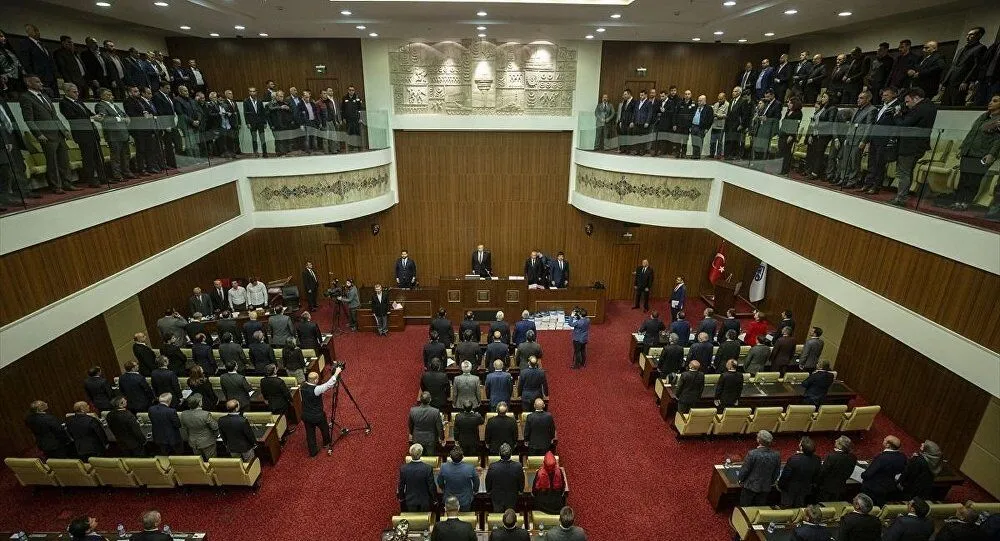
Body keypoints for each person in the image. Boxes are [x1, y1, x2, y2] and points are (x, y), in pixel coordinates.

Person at [20, 74, 75, 193]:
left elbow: (55, 116)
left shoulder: (45, 96)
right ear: (28, 83)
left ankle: (67, 183)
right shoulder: (26, 97)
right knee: (52, 162)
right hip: (46, 135)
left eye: (40, 82)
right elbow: (29, 119)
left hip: (58, 133)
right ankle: (56, 186)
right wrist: (38, 134)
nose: (41, 84)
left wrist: (64, 129)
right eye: (37, 82)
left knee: (64, 160)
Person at [950, 94, 1000, 210]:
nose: (990, 102)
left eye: (995, 101)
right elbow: (971, 133)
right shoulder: (983, 116)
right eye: (991, 100)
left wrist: (991, 154)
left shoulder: (998, 121)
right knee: (963, 179)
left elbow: (998, 140)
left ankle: (966, 203)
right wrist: (963, 148)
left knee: (973, 180)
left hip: (981, 155)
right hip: (968, 152)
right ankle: (957, 201)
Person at [891, 88, 938, 207]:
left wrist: (897, 116)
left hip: (910, 145)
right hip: (918, 145)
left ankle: (900, 198)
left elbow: (904, 124)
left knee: (904, 172)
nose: (907, 104)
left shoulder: (920, 109)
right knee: (908, 171)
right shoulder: (931, 107)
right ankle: (902, 196)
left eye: (908, 101)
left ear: (916, 98)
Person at [58, 83, 104, 187]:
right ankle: (91, 180)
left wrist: (97, 116)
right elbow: (73, 118)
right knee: (88, 158)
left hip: (92, 132)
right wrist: (91, 118)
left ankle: (103, 177)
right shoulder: (64, 103)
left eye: (77, 91)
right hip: (82, 133)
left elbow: (88, 113)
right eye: (74, 92)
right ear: (67, 92)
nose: (77, 93)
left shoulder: (79, 101)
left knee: (98, 156)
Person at [861, 87, 901, 194]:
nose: (883, 97)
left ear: (894, 95)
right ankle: (868, 183)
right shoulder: (882, 106)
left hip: (884, 139)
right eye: (883, 95)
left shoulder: (897, 106)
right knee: (872, 162)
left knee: (880, 163)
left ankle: (876, 186)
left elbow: (895, 124)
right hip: (875, 138)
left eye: (886, 95)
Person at [833, 91, 877, 188]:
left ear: (868, 99)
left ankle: (852, 181)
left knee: (854, 162)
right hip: (850, 138)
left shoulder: (872, 110)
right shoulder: (857, 109)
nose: (858, 100)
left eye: (861, 98)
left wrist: (864, 141)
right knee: (845, 160)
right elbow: (851, 125)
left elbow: (869, 127)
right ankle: (843, 179)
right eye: (858, 98)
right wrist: (847, 137)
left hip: (859, 140)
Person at [942, 27, 988, 106]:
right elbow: (953, 65)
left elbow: (976, 66)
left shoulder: (980, 48)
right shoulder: (961, 49)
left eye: (971, 35)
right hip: (950, 81)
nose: (967, 37)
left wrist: (966, 81)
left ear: (979, 35)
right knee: (944, 104)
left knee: (956, 105)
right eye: (967, 35)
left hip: (961, 82)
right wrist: (945, 81)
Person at [738, 430, 781, 506]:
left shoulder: (752, 454)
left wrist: (740, 479)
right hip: (765, 487)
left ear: (758, 440)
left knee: (745, 507)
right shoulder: (776, 455)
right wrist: (770, 482)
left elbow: (745, 470)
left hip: (750, 486)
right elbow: (776, 472)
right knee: (759, 507)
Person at [861, 435, 907, 506]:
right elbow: (902, 470)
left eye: (885, 439)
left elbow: (867, 474)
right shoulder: (902, 456)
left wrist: (863, 475)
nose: (884, 439)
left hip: (873, 489)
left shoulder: (882, 457)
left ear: (888, 445)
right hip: (889, 487)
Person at [777, 436, 821, 508]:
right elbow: (816, 475)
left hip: (790, 490)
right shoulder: (817, 459)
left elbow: (785, 475)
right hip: (806, 489)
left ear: (801, 447)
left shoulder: (794, 459)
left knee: (787, 507)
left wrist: (780, 485)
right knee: (800, 507)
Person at [814, 435, 859, 502]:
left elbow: (823, 472)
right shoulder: (853, 457)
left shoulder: (832, 457)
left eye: (837, 440)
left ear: (840, 445)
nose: (835, 440)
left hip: (827, 488)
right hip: (841, 487)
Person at [179, 394, 219, 459]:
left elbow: (184, 428)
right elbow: (215, 426)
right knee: (211, 460)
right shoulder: (205, 414)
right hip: (207, 442)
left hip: (193, 442)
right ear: (199, 403)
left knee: (199, 460)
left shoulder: (183, 414)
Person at [437, 447, 478, 512]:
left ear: (450, 457)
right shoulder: (470, 467)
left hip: (449, 498)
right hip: (465, 499)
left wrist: (443, 489)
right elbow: (476, 481)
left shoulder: (444, 467)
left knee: (450, 516)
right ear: (463, 457)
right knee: (465, 516)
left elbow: (439, 481)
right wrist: (475, 490)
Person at [398, 443, 436, 512]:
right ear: (421, 454)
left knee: (412, 517)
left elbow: (401, 486)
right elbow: (431, 486)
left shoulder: (404, 468)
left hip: (410, 500)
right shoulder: (427, 468)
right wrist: (434, 499)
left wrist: (401, 498)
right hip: (424, 500)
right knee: (424, 517)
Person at [409, 391, 444, 456]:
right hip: (431, 439)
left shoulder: (413, 410)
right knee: (430, 458)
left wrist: (411, 433)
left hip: (417, 438)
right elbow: (439, 427)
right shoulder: (435, 411)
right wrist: (442, 438)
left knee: (417, 456)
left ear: (420, 399)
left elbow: (410, 425)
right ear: (430, 400)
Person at [724, 86, 753, 160]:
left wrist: (742, 124)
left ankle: (733, 155)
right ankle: (727, 155)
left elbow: (745, 114)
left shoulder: (743, 101)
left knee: (734, 141)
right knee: (728, 140)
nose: (733, 93)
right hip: (729, 124)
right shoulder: (731, 101)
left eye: (735, 91)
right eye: (733, 91)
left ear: (739, 93)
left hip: (737, 125)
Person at [778, 96, 803, 175]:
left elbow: (796, 125)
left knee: (786, 153)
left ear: (794, 104)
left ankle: (785, 170)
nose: (788, 104)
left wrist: (791, 135)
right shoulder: (788, 111)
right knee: (780, 152)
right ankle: (780, 168)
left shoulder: (798, 113)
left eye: (790, 103)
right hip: (782, 133)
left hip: (789, 136)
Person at [243, 86, 268, 157]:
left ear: (256, 92)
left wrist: (265, 122)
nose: (252, 93)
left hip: (260, 122)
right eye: (251, 91)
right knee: (254, 138)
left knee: (262, 138)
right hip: (252, 122)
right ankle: (255, 152)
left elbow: (263, 112)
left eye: (254, 91)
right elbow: (245, 113)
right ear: (249, 92)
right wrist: (247, 122)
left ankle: (265, 153)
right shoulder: (246, 101)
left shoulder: (259, 100)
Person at [689, 94, 714, 159]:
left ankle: (698, 155)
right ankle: (694, 154)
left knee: (699, 142)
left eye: (700, 101)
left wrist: (707, 128)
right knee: (694, 142)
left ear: (704, 101)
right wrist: (690, 126)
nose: (699, 102)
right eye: (698, 101)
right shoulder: (695, 107)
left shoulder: (708, 108)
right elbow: (691, 116)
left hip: (701, 128)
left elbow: (710, 119)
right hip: (693, 126)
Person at [710, 92, 730, 158]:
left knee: (720, 142)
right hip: (714, 125)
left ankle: (718, 155)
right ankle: (711, 154)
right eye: (718, 99)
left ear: (724, 98)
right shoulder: (716, 104)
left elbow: (726, 115)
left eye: (721, 99)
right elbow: (713, 112)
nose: (719, 100)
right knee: (712, 141)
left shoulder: (727, 105)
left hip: (721, 126)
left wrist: (718, 115)